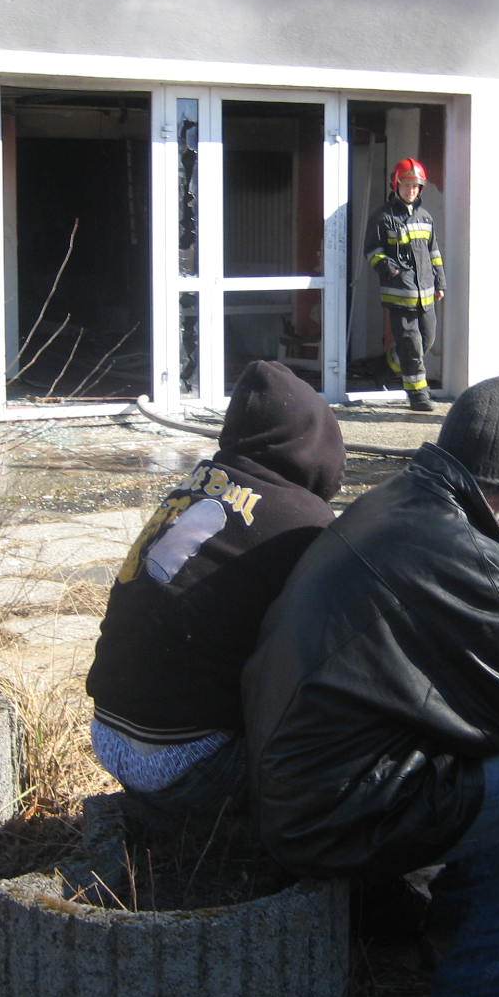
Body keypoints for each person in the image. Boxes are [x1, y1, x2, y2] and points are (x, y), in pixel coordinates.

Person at [243, 377, 499, 997]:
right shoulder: (465, 551)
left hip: (300, 783)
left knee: (482, 746)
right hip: (332, 812)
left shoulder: (394, 500)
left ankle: (464, 921)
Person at [85, 359, 345, 841]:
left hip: (108, 731)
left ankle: (169, 815)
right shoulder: (305, 521)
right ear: (315, 441)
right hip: (180, 758)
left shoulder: (197, 480)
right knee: (346, 749)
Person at [365, 157, 446, 412]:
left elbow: (434, 252)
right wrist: (388, 267)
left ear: (420, 188)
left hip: (426, 294)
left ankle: (385, 366)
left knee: (426, 341)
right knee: (411, 346)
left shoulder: (426, 217)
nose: (410, 190)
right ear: (396, 185)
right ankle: (418, 396)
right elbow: (372, 250)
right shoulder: (383, 216)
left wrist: (440, 282)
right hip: (399, 293)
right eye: (406, 185)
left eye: (415, 186)